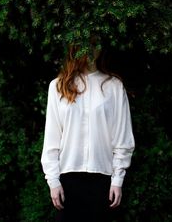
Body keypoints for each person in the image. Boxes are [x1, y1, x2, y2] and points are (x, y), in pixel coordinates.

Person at [41, 39, 135, 222]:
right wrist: (53, 181)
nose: (92, 49)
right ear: (75, 46)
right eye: (87, 43)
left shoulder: (114, 86)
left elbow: (122, 138)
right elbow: (52, 139)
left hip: (103, 181)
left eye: (96, 43)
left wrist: (117, 180)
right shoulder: (58, 86)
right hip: (67, 181)